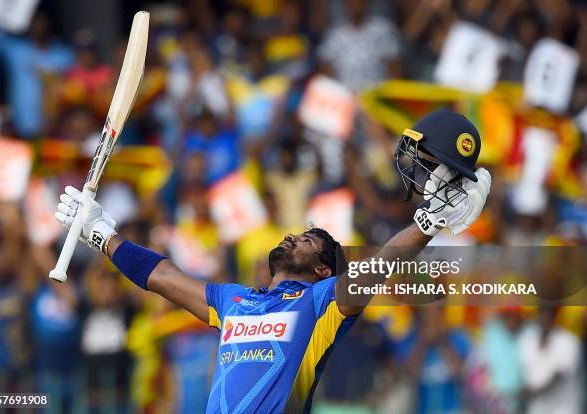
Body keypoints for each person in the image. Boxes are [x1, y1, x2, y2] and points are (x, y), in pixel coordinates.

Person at [53, 110, 491, 413]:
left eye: (305, 240)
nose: (290, 236)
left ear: (324, 269)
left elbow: (379, 265)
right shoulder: (233, 301)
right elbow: (163, 277)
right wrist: (103, 235)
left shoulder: (324, 303)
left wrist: (427, 224)